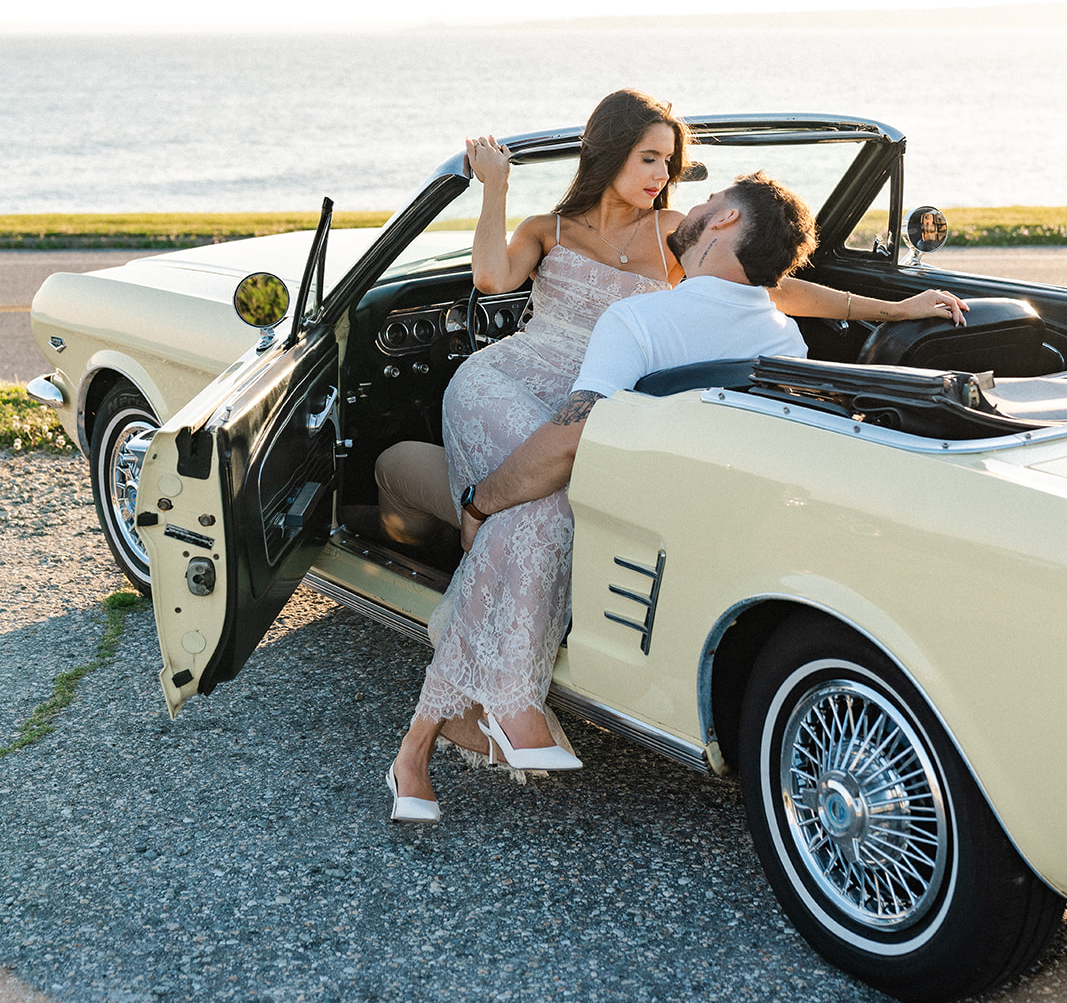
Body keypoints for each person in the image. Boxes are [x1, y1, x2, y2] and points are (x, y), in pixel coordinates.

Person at [385, 165, 965, 820]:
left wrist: (480, 503)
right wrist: (893, 307)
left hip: (617, 504)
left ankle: (460, 710)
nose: (694, 201)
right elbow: (772, 299)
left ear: (724, 222)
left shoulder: (638, 320)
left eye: (713, 198)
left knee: (503, 505)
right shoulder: (783, 341)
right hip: (707, 518)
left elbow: (568, 444)